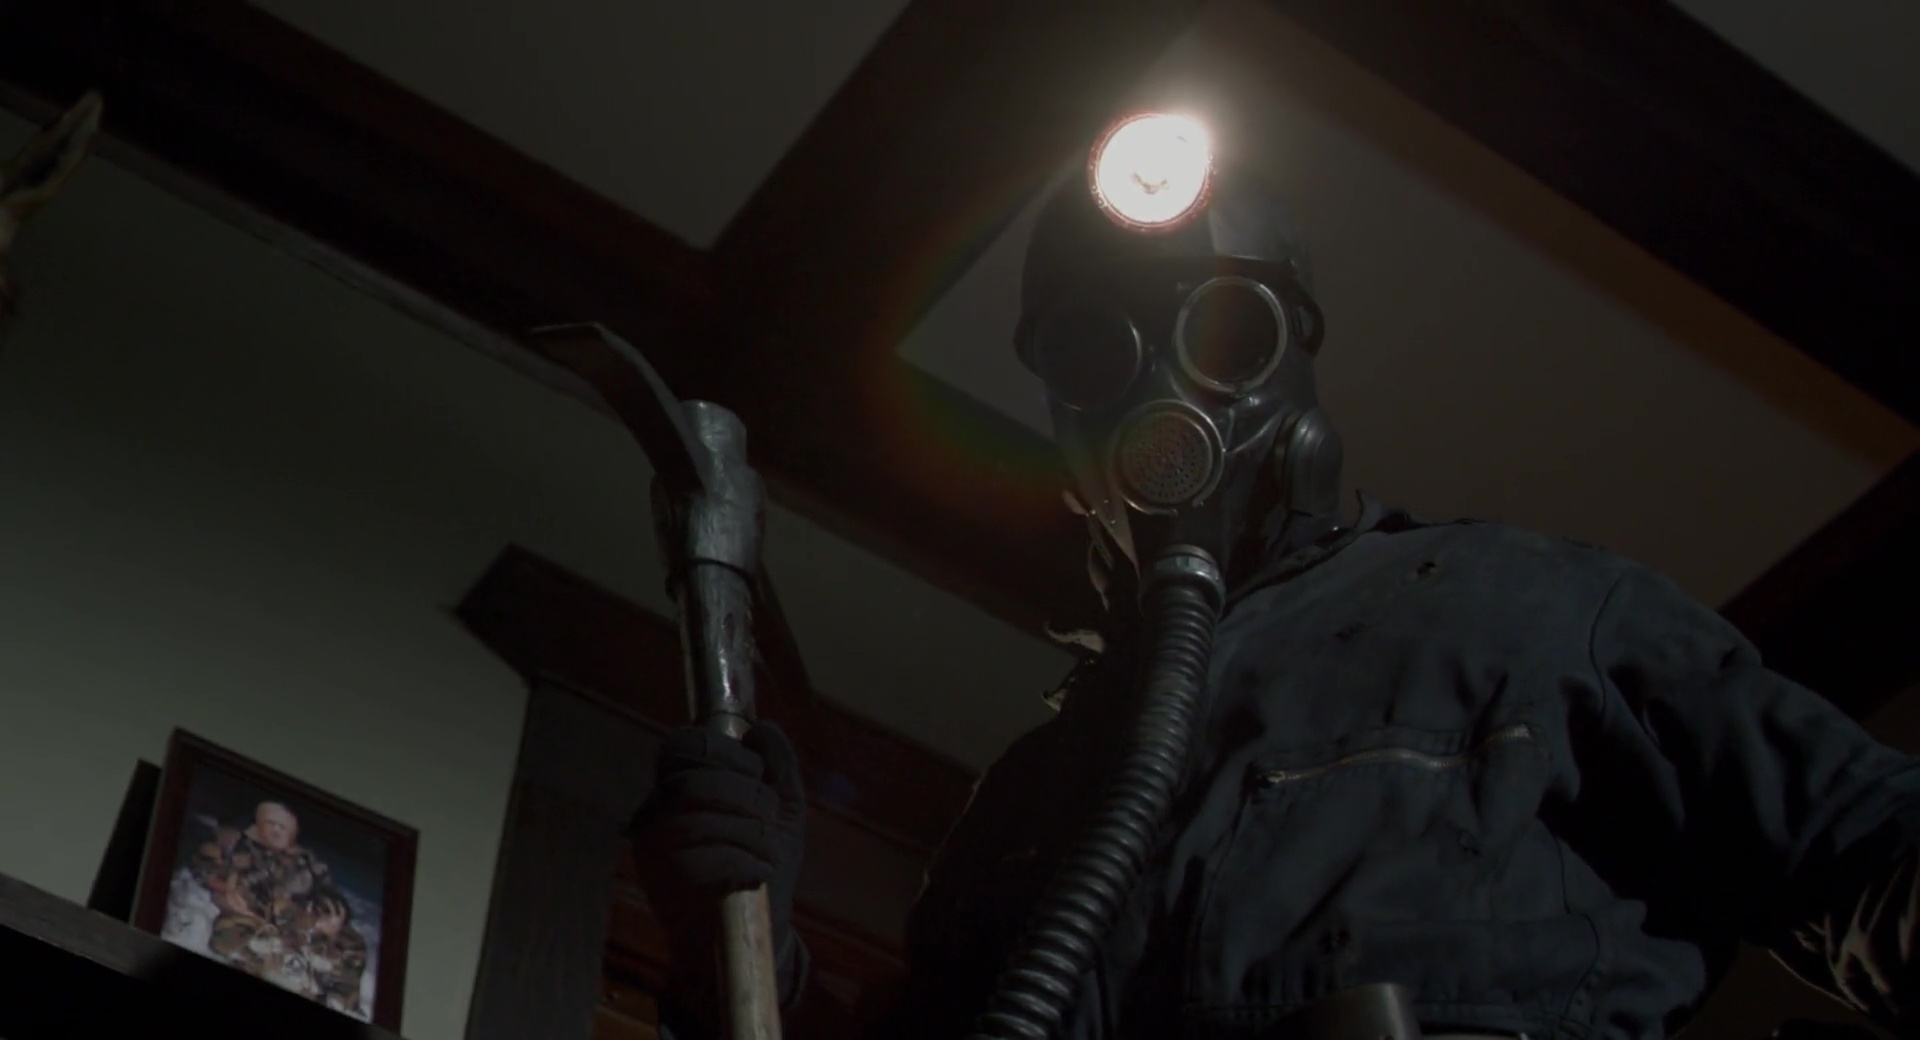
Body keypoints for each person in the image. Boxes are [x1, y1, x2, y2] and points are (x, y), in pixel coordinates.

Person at [629, 118, 1920, 1039]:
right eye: (1095, 350)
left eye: (1218, 329)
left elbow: (1874, 853)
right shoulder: (1034, 802)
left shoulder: (1528, 613)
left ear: (1294, 355)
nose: (1159, 390)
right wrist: (748, 960)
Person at [188, 800, 370, 1016]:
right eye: (270, 823)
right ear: (258, 824)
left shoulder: (306, 860)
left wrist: (332, 918)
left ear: (294, 832)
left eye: (282, 827)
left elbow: (330, 893)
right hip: (252, 917)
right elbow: (203, 866)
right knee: (230, 938)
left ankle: (340, 1000)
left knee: (352, 944)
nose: (275, 830)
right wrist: (225, 886)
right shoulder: (235, 844)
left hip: (299, 923)